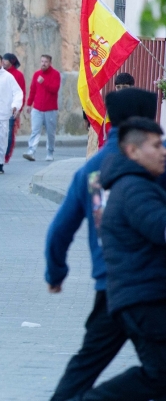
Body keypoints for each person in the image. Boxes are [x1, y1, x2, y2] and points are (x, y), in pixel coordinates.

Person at [45, 86, 158, 401]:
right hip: (143, 286)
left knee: (88, 362)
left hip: (110, 284)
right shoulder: (146, 164)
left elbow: (62, 229)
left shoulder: (93, 170)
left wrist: (56, 273)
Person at [76, 117, 166, 399]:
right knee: (158, 375)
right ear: (133, 151)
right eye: (155, 145)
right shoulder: (134, 189)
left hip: (141, 295)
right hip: (143, 298)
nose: (163, 151)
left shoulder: (137, 184)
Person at [24, 54, 61, 162]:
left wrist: (44, 82)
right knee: (35, 130)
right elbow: (33, 90)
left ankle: (50, 152)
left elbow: (55, 89)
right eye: (42, 61)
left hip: (50, 109)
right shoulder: (37, 74)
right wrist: (29, 104)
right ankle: (31, 151)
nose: (43, 64)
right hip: (37, 109)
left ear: (50, 63)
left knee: (50, 133)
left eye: (46, 62)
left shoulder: (55, 74)